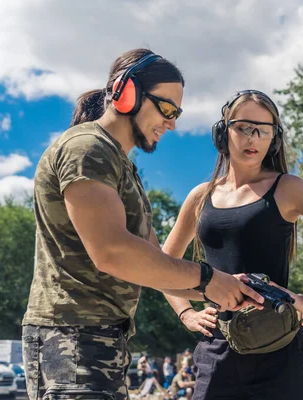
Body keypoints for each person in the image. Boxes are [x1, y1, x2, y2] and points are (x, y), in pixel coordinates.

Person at [21, 49, 264, 400]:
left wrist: (225, 289)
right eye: (166, 109)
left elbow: (153, 263)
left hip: (98, 339)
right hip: (70, 337)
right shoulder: (86, 149)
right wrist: (209, 279)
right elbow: (112, 252)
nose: (173, 123)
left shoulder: (121, 165)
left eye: (177, 113)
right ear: (127, 92)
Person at [162, 90, 303, 399]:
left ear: (274, 137)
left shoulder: (288, 188)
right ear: (223, 132)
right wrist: (186, 313)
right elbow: (162, 266)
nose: (253, 138)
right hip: (218, 348)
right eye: (243, 127)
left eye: (264, 130)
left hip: (279, 349)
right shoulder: (200, 197)